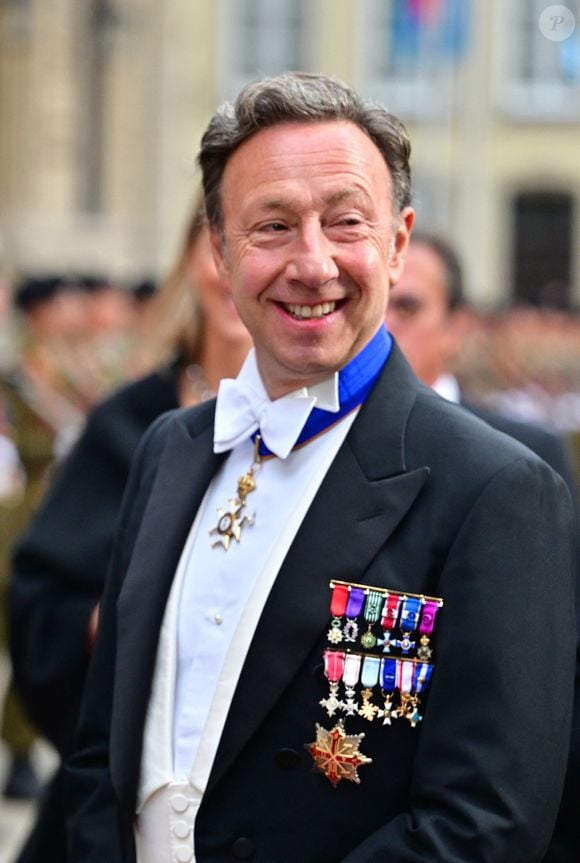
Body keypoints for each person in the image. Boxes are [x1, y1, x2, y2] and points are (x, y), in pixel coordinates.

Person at [66, 72, 575, 863]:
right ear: (219, 248)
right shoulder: (168, 447)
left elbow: (484, 823)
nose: (313, 263)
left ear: (398, 243)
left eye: (346, 222)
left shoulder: (496, 489)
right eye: (272, 225)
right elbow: (102, 754)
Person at [9, 202, 251, 862]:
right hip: (118, 774)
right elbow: (42, 594)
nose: (237, 273)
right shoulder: (130, 420)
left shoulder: (325, 429)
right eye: (218, 248)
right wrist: (113, 624)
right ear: (185, 265)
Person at [387, 232, 580, 863]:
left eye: (409, 307)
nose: (383, 324)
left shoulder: (518, 456)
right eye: (378, 300)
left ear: (458, 326)